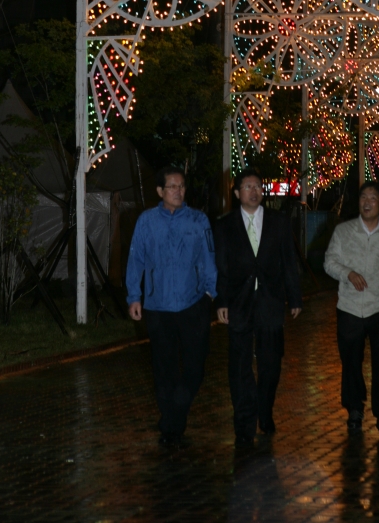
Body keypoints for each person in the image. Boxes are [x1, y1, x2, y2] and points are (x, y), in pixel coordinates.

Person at [126, 167, 217, 446]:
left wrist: (211, 294)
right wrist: (134, 296)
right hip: (158, 306)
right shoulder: (146, 221)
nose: (178, 191)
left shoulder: (198, 220)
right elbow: (136, 260)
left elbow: (208, 259)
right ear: (160, 192)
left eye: (182, 186)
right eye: (172, 187)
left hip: (192, 305)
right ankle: (172, 425)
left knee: (194, 369)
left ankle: (174, 413)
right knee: (164, 369)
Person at [215, 169, 302, 448]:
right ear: (238, 192)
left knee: (271, 364)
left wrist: (295, 297)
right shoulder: (225, 225)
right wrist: (221, 301)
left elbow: (289, 261)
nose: (253, 190)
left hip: (270, 302)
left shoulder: (278, 222)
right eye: (247, 186)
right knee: (239, 367)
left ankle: (265, 412)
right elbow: (222, 267)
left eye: (257, 185)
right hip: (238, 304)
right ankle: (244, 423)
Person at [324, 180, 379, 439]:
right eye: (364, 197)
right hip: (349, 307)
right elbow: (329, 262)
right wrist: (348, 273)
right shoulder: (344, 232)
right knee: (350, 361)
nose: (367, 202)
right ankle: (354, 408)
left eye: (373, 198)